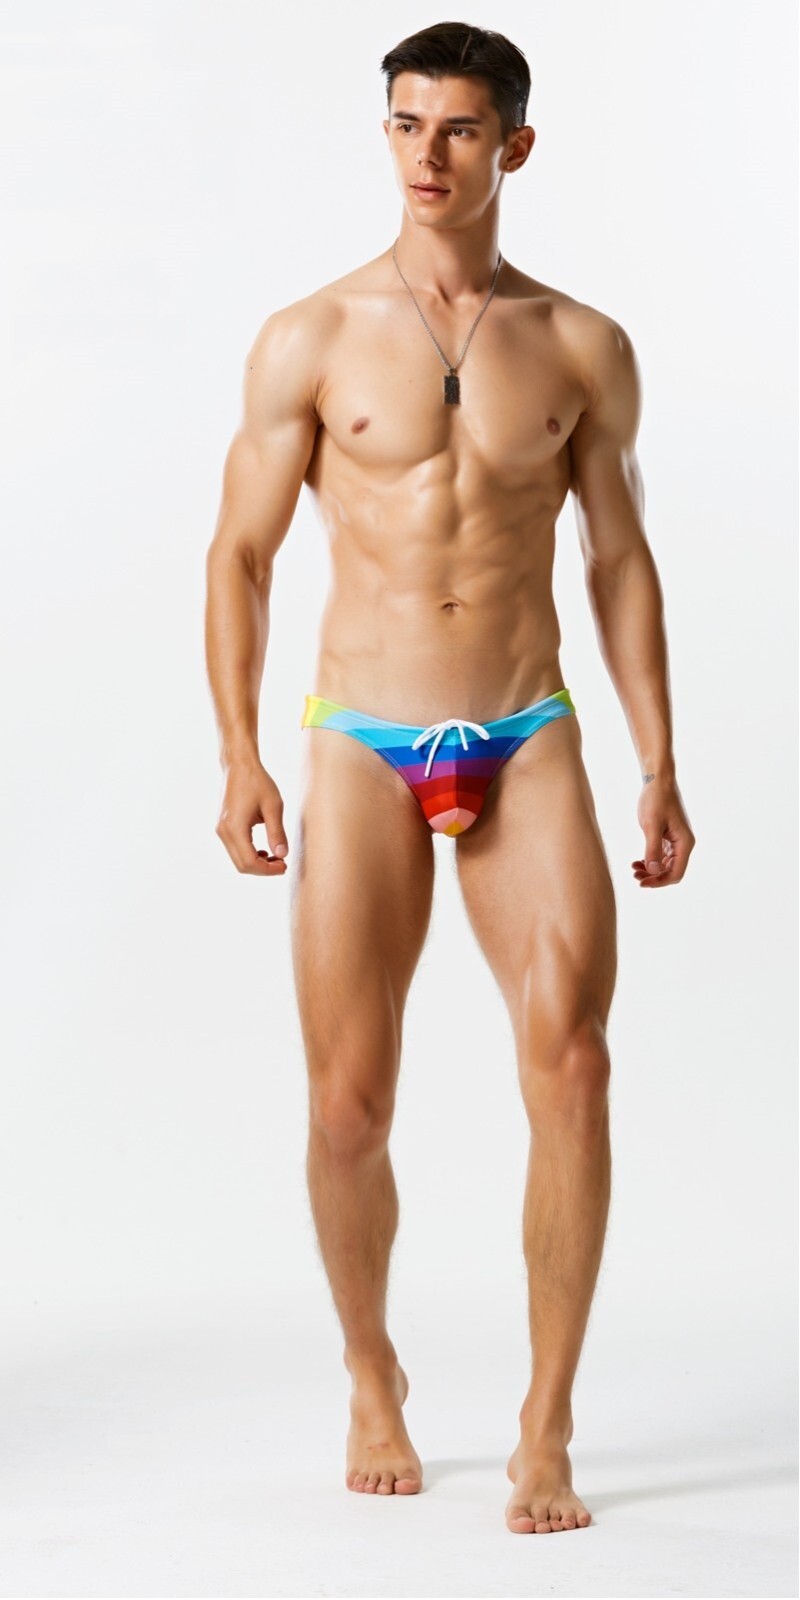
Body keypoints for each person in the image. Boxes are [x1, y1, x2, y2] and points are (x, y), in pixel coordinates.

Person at [204, 20, 695, 1535]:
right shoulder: (309, 336)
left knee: (577, 1066)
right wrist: (239, 752)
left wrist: (660, 758)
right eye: (407, 124)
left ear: (515, 147)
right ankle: (372, 1370)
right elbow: (239, 554)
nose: (428, 153)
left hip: (523, 727)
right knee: (349, 1103)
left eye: (461, 129)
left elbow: (618, 559)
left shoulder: (582, 345)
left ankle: (547, 1425)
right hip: (361, 735)